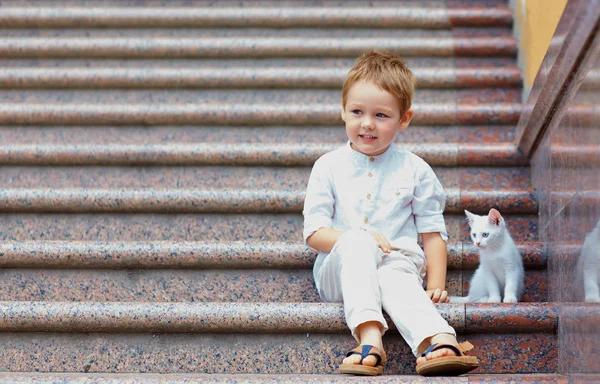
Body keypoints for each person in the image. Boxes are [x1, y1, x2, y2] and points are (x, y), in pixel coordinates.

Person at [302, 50, 480, 376]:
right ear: (343, 111)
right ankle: (370, 337)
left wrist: (436, 283)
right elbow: (314, 233)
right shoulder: (328, 167)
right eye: (357, 111)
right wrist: (360, 238)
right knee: (357, 242)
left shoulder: (416, 170)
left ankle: (438, 340)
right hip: (338, 272)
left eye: (381, 115)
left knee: (392, 272)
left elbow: (431, 232)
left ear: (404, 119)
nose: (367, 123)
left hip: (398, 265)